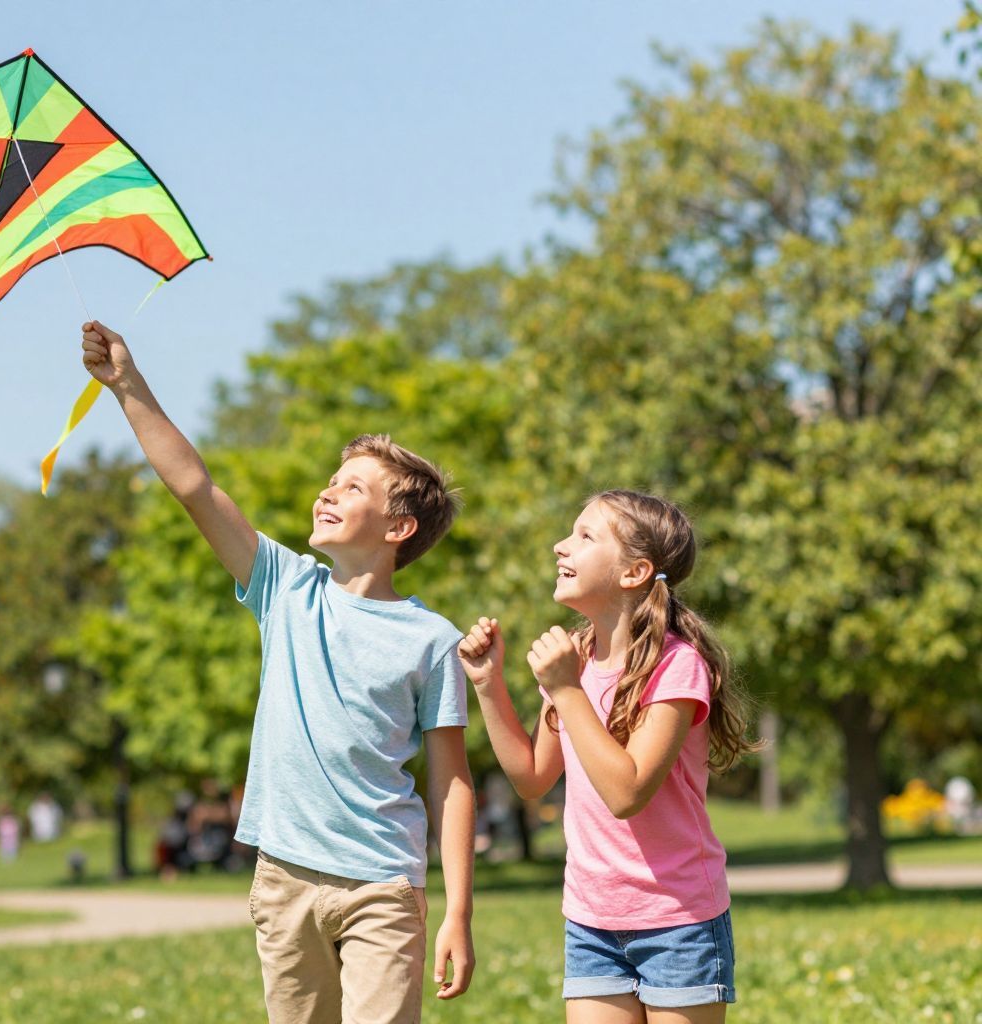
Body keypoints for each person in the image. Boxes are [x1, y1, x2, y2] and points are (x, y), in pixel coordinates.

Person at [82, 321, 477, 1019]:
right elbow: (196, 488)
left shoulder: (431, 641)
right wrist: (127, 386)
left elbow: (452, 785)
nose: (327, 492)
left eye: (351, 487)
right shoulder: (285, 588)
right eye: (332, 479)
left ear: (398, 529)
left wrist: (458, 913)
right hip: (285, 878)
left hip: (382, 887)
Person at [459, 490, 758, 1022]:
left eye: (584, 536)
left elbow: (627, 792)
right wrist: (488, 684)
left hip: (678, 920)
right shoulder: (577, 663)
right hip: (591, 919)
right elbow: (531, 779)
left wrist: (567, 691)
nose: (560, 546)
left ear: (634, 572)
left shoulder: (676, 666)